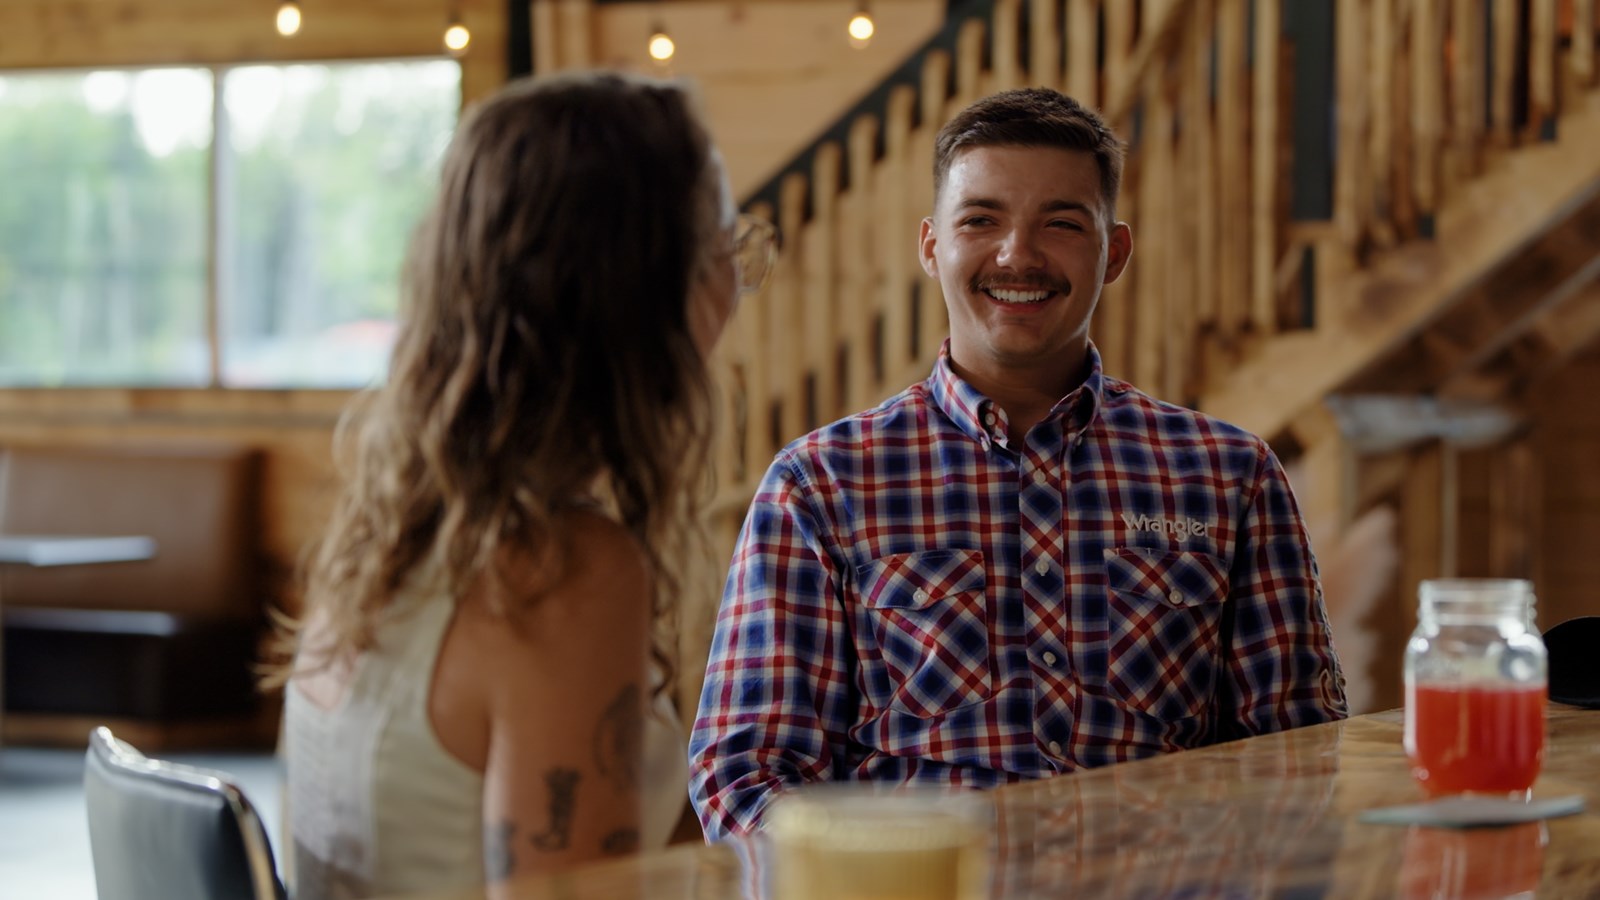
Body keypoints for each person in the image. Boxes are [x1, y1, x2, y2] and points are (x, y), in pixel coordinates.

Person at [688, 87, 1347, 840]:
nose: (1017, 255)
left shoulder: (1230, 475)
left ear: (1115, 251)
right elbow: (746, 771)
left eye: (1061, 224)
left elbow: (1301, 756)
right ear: (933, 246)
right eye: (981, 220)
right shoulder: (821, 483)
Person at [280, 70, 775, 897]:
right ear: (646, 299)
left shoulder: (396, 523)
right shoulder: (563, 574)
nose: (734, 283)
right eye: (722, 249)